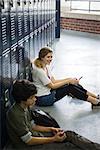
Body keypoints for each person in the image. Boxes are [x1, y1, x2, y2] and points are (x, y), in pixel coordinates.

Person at [6, 80, 100, 150]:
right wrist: (53, 139)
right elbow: (28, 141)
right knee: (69, 147)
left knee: (69, 134)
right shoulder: (15, 114)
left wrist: (51, 129)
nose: (35, 99)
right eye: (32, 97)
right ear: (23, 99)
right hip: (27, 146)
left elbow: (32, 126)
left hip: (35, 136)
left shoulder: (26, 107)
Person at [31, 47, 100, 108]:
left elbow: (54, 81)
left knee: (72, 84)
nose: (50, 59)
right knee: (69, 88)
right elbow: (52, 86)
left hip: (49, 92)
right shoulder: (39, 70)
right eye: (48, 57)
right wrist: (68, 81)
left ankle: (95, 97)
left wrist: (70, 79)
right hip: (43, 99)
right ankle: (95, 101)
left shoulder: (46, 66)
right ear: (42, 57)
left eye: (51, 57)